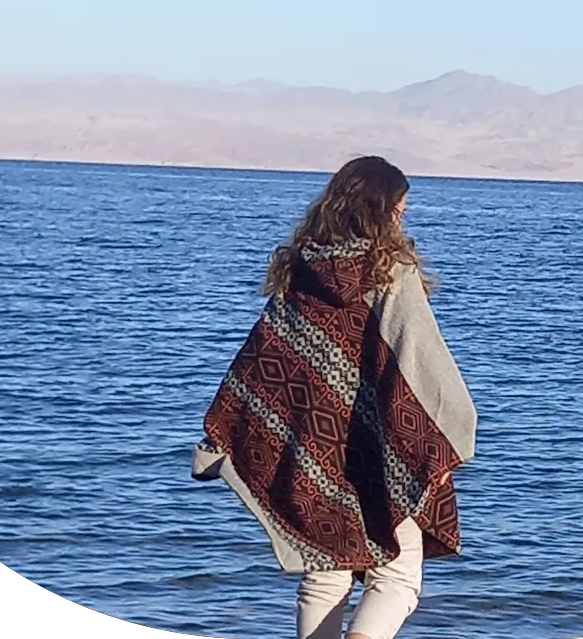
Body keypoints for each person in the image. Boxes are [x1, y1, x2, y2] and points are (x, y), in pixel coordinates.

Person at [193, 155, 478, 639]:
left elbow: (263, 364)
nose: (400, 222)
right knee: (397, 577)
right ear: (379, 211)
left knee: (325, 572)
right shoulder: (391, 272)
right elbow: (420, 362)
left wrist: (231, 429)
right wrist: (450, 432)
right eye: (398, 212)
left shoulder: (301, 270)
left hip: (314, 450)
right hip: (382, 451)